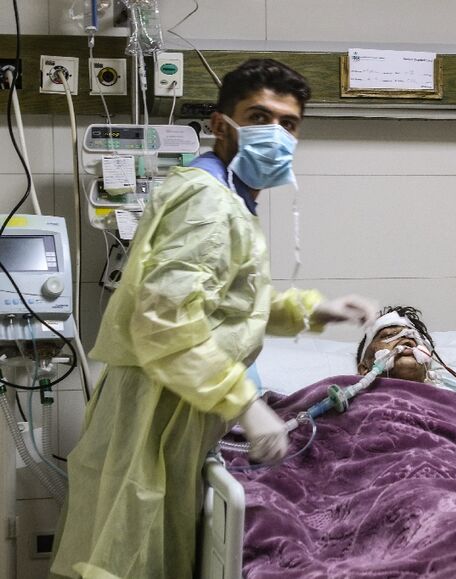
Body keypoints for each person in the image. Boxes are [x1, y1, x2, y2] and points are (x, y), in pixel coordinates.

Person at [50, 59, 377, 579]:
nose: (276, 134)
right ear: (222, 124)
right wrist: (244, 403)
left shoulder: (226, 195)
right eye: (259, 117)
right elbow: (166, 323)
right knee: (127, 557)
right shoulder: (206, 202)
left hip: (181, 398)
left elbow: (224, 298)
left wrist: (310, 309)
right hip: (158, 408)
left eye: (288, 124)